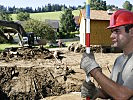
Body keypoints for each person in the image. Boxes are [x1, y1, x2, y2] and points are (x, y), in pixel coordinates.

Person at [80, 9, 133, 100]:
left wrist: (94, 70)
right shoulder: (119, 60)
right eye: (111, 31)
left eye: (116, 31)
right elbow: (113, 91)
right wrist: (97, 92)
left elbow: (122, 95)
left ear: (132, 31)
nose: (111, 36)